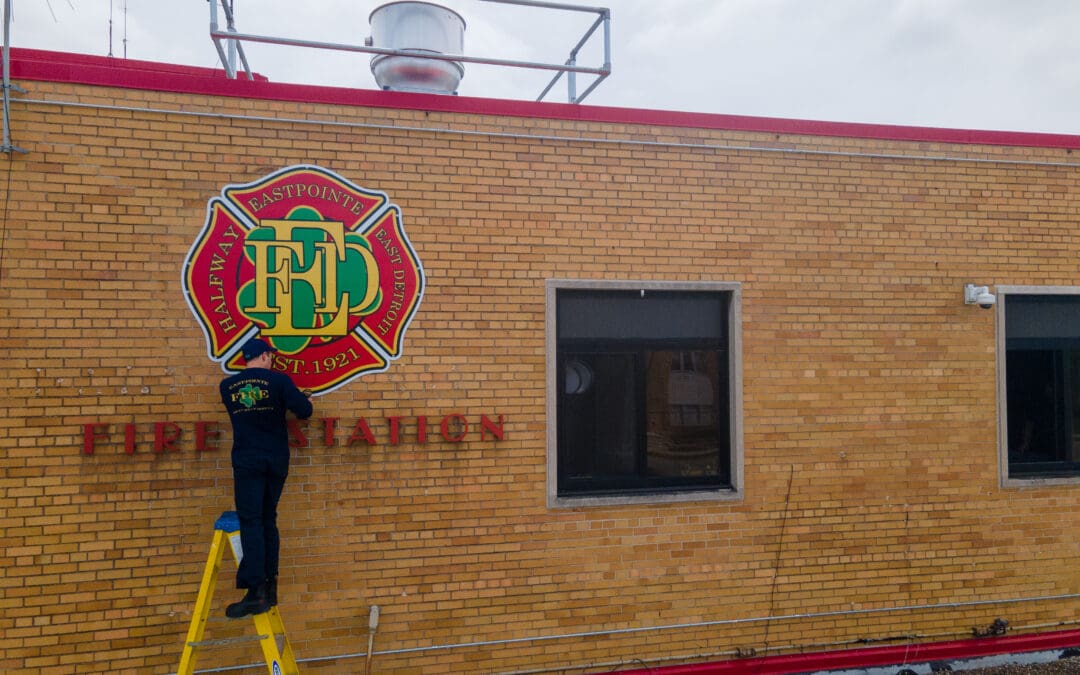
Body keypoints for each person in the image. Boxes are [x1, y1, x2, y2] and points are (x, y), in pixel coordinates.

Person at [219, 337, 312, 618]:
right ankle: (269, 588)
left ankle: (255, 592)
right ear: (262, 356)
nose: (271, 359)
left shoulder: (227, 386)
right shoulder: (279, 381)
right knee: (268, 519)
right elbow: (304, 411)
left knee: (251, 521)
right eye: (270, 355)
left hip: (247, 460)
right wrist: (304, 399)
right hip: (275, 460)